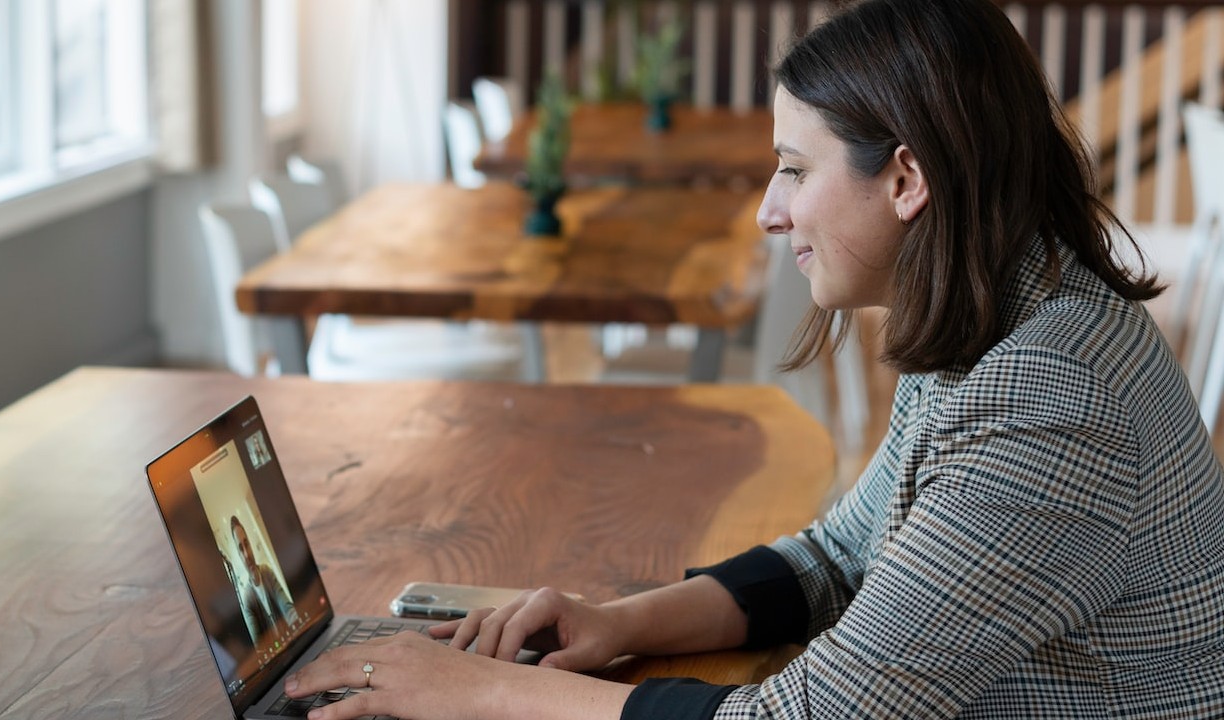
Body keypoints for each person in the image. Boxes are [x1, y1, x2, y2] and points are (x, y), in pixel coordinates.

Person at [284, 0, 1224, 717]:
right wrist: (616, 622)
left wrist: (473, 694)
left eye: (795, 168)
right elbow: (835, 559)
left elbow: (804, 715)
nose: (770, 211)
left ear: (905, 180)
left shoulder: (1052, 398)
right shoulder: (1000, 313)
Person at [230, 514, 296, 646]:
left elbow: (286, 606)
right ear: (238, 555)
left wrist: (297, 621)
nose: (247, 555)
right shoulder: (247, 600)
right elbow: (258, 646)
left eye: (246, 544)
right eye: (241, 549)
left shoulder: (267, 572)